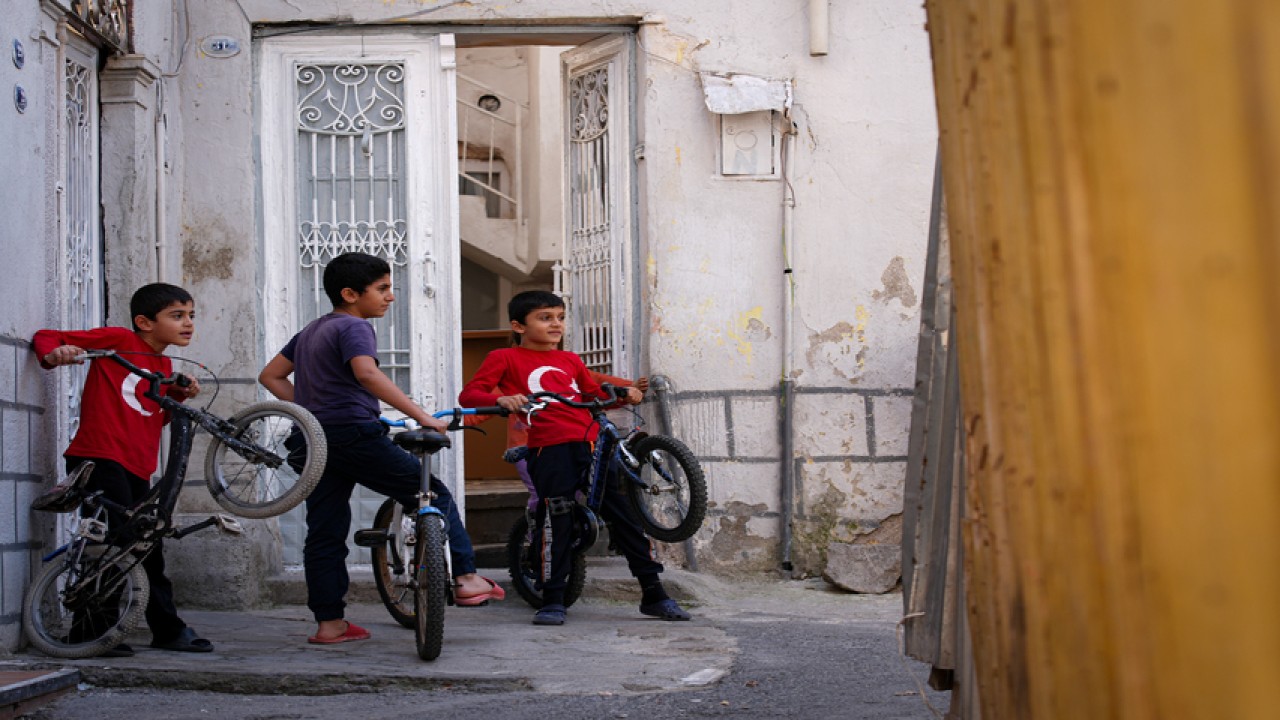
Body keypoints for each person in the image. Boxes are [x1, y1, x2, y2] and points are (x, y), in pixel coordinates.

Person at [258, 252, 503, 645]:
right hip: (354, 435)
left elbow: (270, 376)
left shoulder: (311, 331)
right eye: (383, 289)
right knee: (432, 493)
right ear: (351, 294)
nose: (391, 297)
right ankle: (467, 579)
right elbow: (366, 373)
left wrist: (313, 411)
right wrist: (422, 415)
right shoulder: (354, 328)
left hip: (314, 440)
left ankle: (330, 624)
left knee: (324, 531)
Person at [459, 289, 691, 626]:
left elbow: (593, 395)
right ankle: (553, 599)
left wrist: (621, 394)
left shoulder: (571, 360)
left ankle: (654, 594)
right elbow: (470, 394)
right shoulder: (504, 357)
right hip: (547, 448)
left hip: (592, 446)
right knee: (558, 518)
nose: (556, 324)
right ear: (518, 325)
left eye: (560, 317)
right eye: (545, 317)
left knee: (625, 519)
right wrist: (504, 399)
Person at [32, 282, 213, 656]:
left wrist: (177, 394)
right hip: (99, 457)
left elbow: (151, 415)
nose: (188, 324)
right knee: (110, 543)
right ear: (144, 322)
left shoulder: (163, 364)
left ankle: (165, 629)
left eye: (191, 316)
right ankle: (92, 632)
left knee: (147, 544)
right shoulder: (119, 340)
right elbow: (47, 336)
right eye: (177, 316)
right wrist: (56, 354)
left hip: (136, 465)